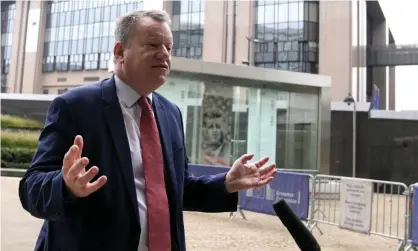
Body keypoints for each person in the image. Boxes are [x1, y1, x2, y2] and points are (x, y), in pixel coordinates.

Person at [18, 10, 277, 251]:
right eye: (153, 45)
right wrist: (65, 186)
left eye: (169, 47)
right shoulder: (75, 107)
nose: (164, 54)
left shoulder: (171, 113)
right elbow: (31, 187)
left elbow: (174, 189)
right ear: (120, 52)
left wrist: (225, 184)